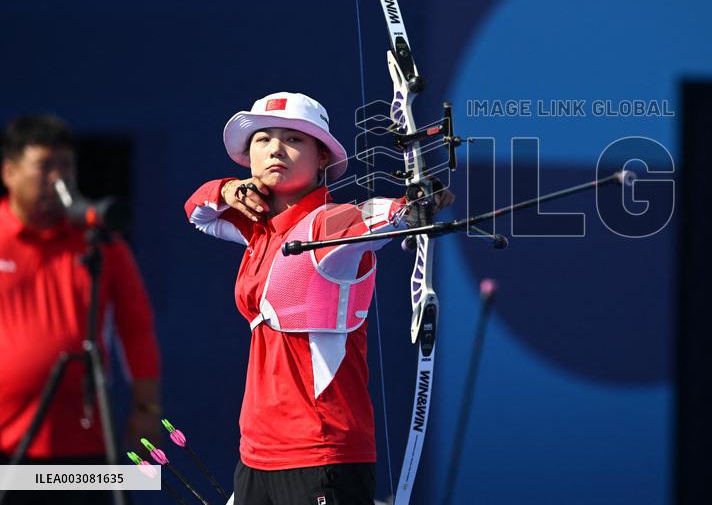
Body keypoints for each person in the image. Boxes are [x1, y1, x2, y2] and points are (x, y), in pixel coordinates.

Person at [183, 92, 451, 505]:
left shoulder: (329, 223)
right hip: (255, 455)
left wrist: (411, 207)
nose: (275, 149)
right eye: (263, 139)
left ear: (322, 156)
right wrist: (227, 189)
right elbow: (197, 212)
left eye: (294, 139)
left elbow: (372, 217)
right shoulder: (257, 229)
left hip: (321, 453)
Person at [0, 115, 162, 503]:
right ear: (9, 172)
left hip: (86, 446)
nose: (59, 178)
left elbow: (136, 327)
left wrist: (147, 409)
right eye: (45, 166)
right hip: (5, 443)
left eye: (66, 166)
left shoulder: (101, 242)